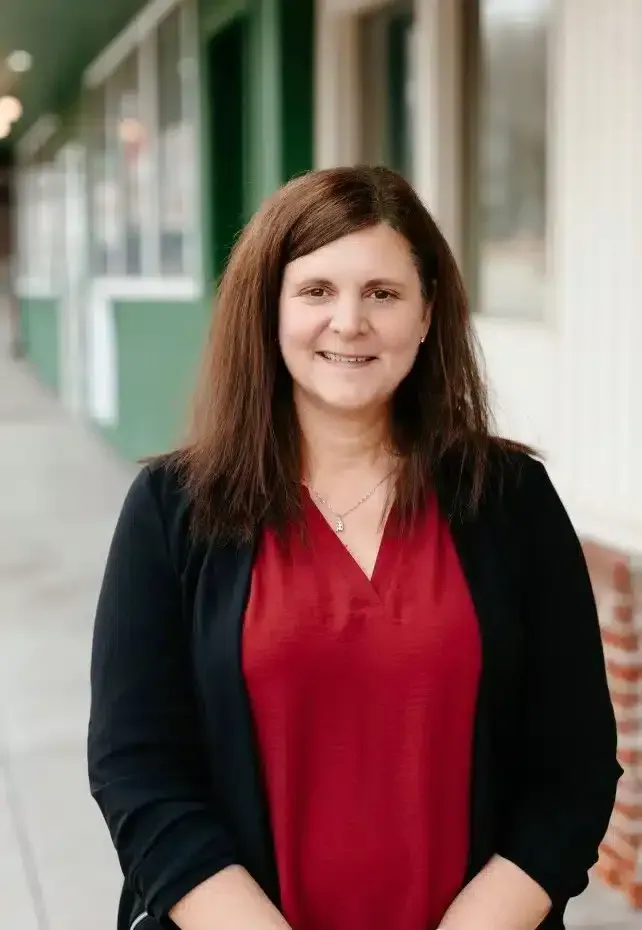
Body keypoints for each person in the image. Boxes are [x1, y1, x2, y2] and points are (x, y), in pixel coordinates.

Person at [88, 165, 621, 930]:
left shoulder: (510, 502)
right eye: (316, 291)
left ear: (428, 313)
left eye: (383, 293)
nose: (350, 322)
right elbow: (138, 771)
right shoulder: (173, 511)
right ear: (268, 311)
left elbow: (571, 769)